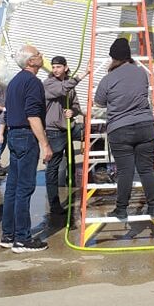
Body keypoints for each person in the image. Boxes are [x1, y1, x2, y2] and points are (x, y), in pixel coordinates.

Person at [94, 37, 154, 221]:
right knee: (146, 169)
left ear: (113, 57)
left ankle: (121, 209)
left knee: (125, 172)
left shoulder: (108, 79)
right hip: (145, 126)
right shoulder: (141, 73)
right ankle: (153, 207)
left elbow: (99, 102)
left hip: (120, 129)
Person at [0, 45, 52, 253]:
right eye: (38, 54)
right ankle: (22, 238)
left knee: (13, 186)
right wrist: (45, 143)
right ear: (31, 61)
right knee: (24, 187)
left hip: (14, 134)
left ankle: (8, 234)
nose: (42, 56)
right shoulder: (32, 82)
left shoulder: (15, 81)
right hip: (25, 135)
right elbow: (32, 115)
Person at [43, 56, 88, 216]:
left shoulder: (69, 84)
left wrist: (73, 111)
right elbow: (62, 89)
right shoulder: (49, 83)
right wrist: (81, 75)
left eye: (58, 67)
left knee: (91, 134)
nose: (55, 70)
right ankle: (54, 204)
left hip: (68, 127)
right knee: (53, 167)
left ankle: (93, 175)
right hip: (54, 130)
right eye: (53, 67)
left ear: (65, 68)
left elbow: (76, 105)